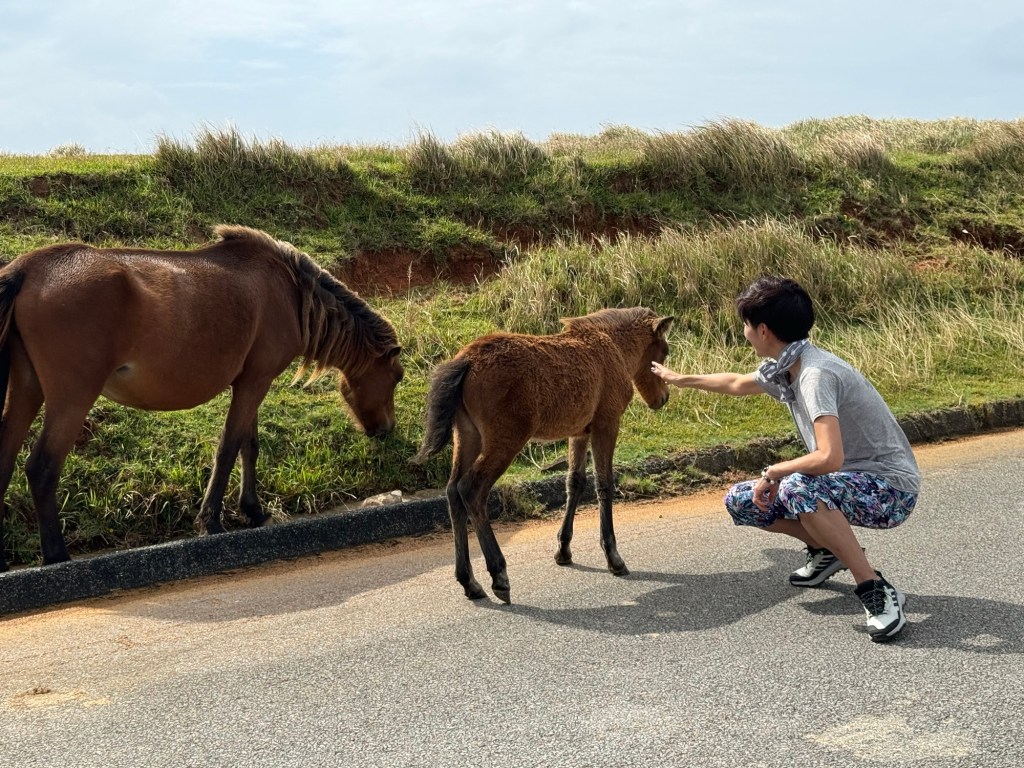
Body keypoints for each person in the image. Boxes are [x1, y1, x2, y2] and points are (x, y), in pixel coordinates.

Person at [651, 276, 919, 643]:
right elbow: (737, 384)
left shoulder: (814, 375)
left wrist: (774, 470)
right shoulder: (787, 364)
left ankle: (874, 588)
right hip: (847, 482)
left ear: (763, 330)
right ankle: (830, 550)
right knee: (743, 502)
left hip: (890, 489)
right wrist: (679, 378)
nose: (744, 332)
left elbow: (828, 457)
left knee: (799, 487)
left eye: (746, 325)